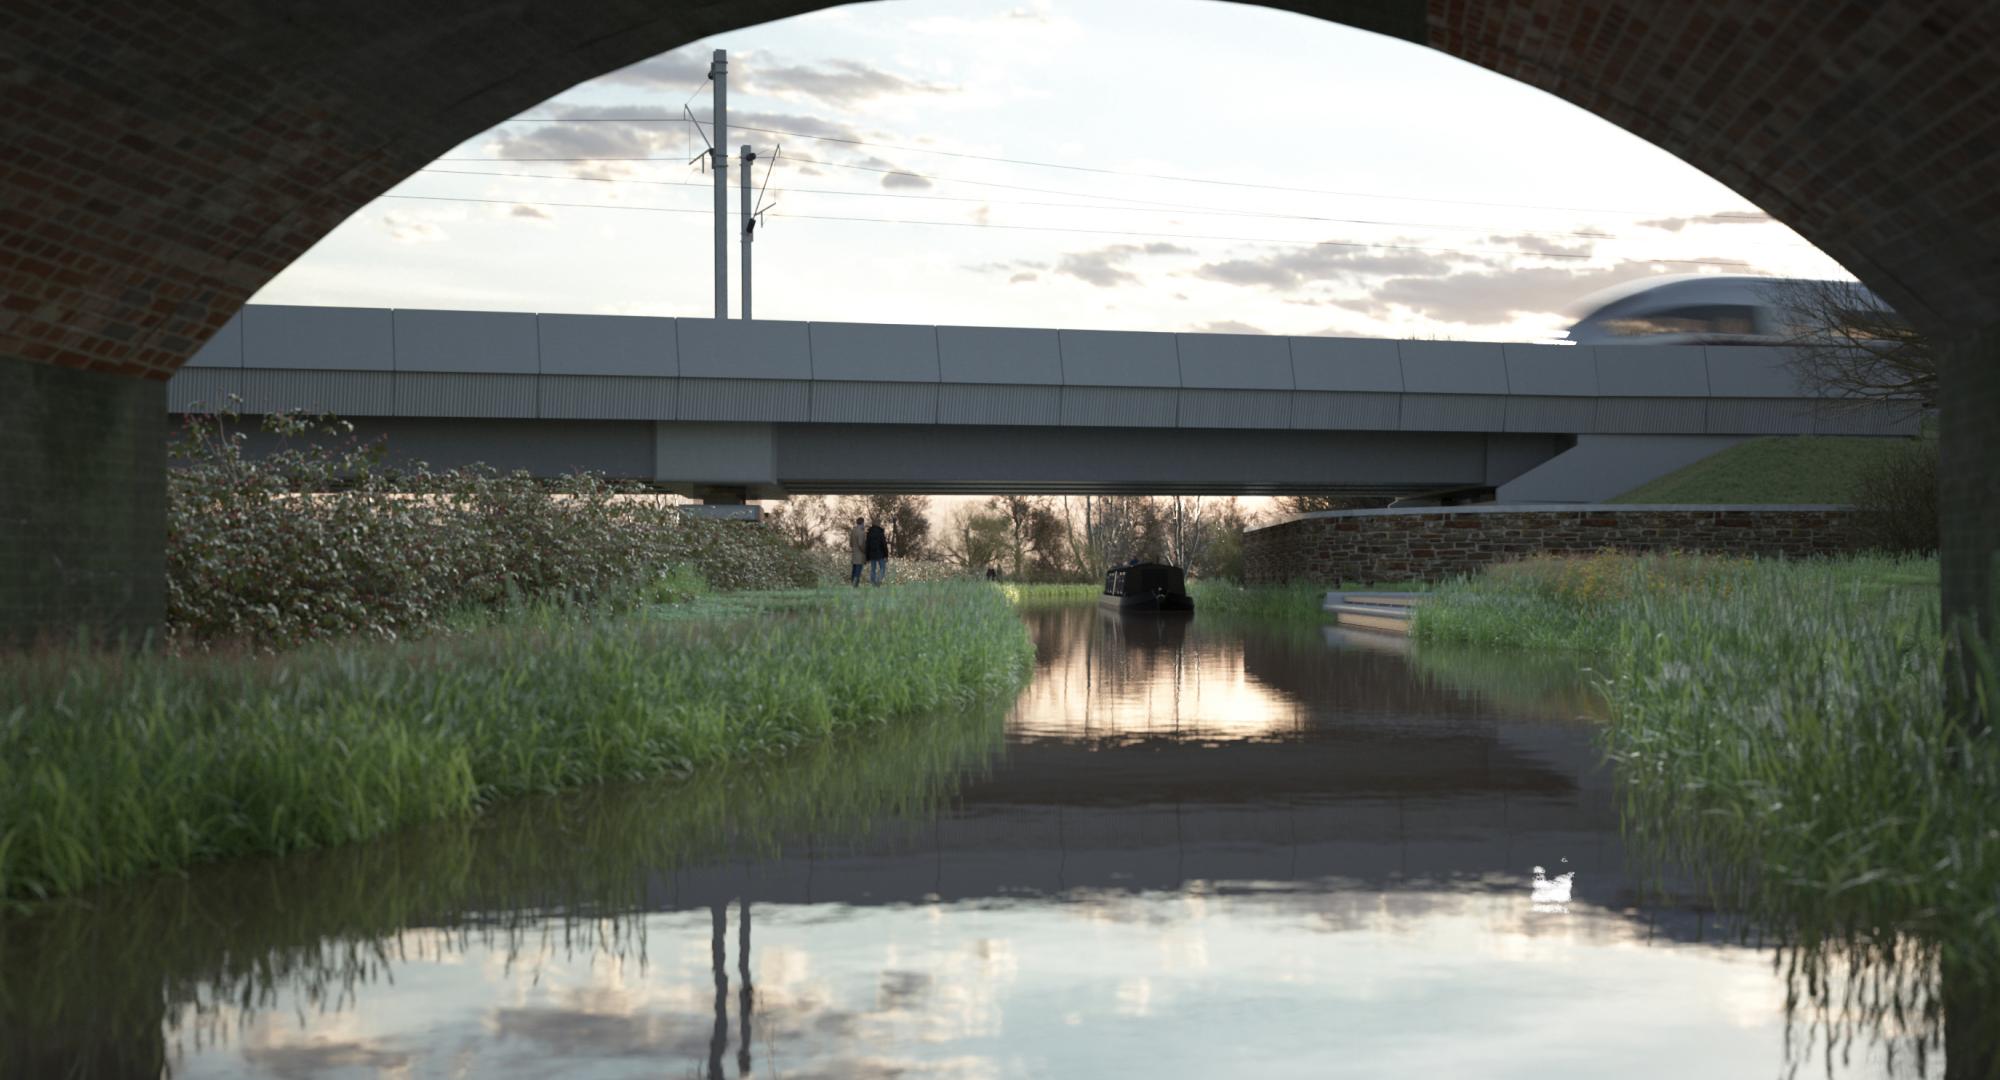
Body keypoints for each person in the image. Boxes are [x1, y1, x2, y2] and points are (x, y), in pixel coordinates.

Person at [864, 519, 890, 586]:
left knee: (873, 569)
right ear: (878, 524)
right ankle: (878, 580)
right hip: (880, 553)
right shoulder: (880, 532)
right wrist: (886, 555)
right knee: (882, 568)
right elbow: (884, 544)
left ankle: (873, 582)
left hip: (872, 554)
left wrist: (866, 557)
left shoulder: (869, 533)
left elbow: (867, 545)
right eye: (879, 523)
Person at [847, 516, 867, 587]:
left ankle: (852, 583)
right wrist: (865, 551)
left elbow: (851, 543)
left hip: (854, 553)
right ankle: (855, 585)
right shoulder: (861, 532)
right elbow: (861, 544)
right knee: (858, 571)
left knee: (854, 570)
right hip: (860, 555)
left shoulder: (853, 531)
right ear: (862, 523)